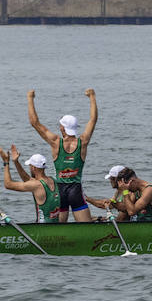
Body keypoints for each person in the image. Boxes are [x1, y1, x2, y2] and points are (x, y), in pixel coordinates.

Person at [26, 88, 98, 223]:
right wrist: (92, 97)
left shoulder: (55, 142)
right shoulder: (83, 142)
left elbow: (34, 123)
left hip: (60, 191)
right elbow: (93, 120)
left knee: (58, 229)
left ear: (62, 128)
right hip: (76, 190)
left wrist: (30, 98)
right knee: (86, 228)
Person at [0, 145, 60, 223]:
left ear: (33, 168)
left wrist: (6, 162)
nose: (29, 168)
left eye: (30, 166)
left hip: (41, 229)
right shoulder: (52, 180)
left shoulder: (36, 185)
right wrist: (16, 162)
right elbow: (27, 179)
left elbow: (8, 184)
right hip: (56, 226)